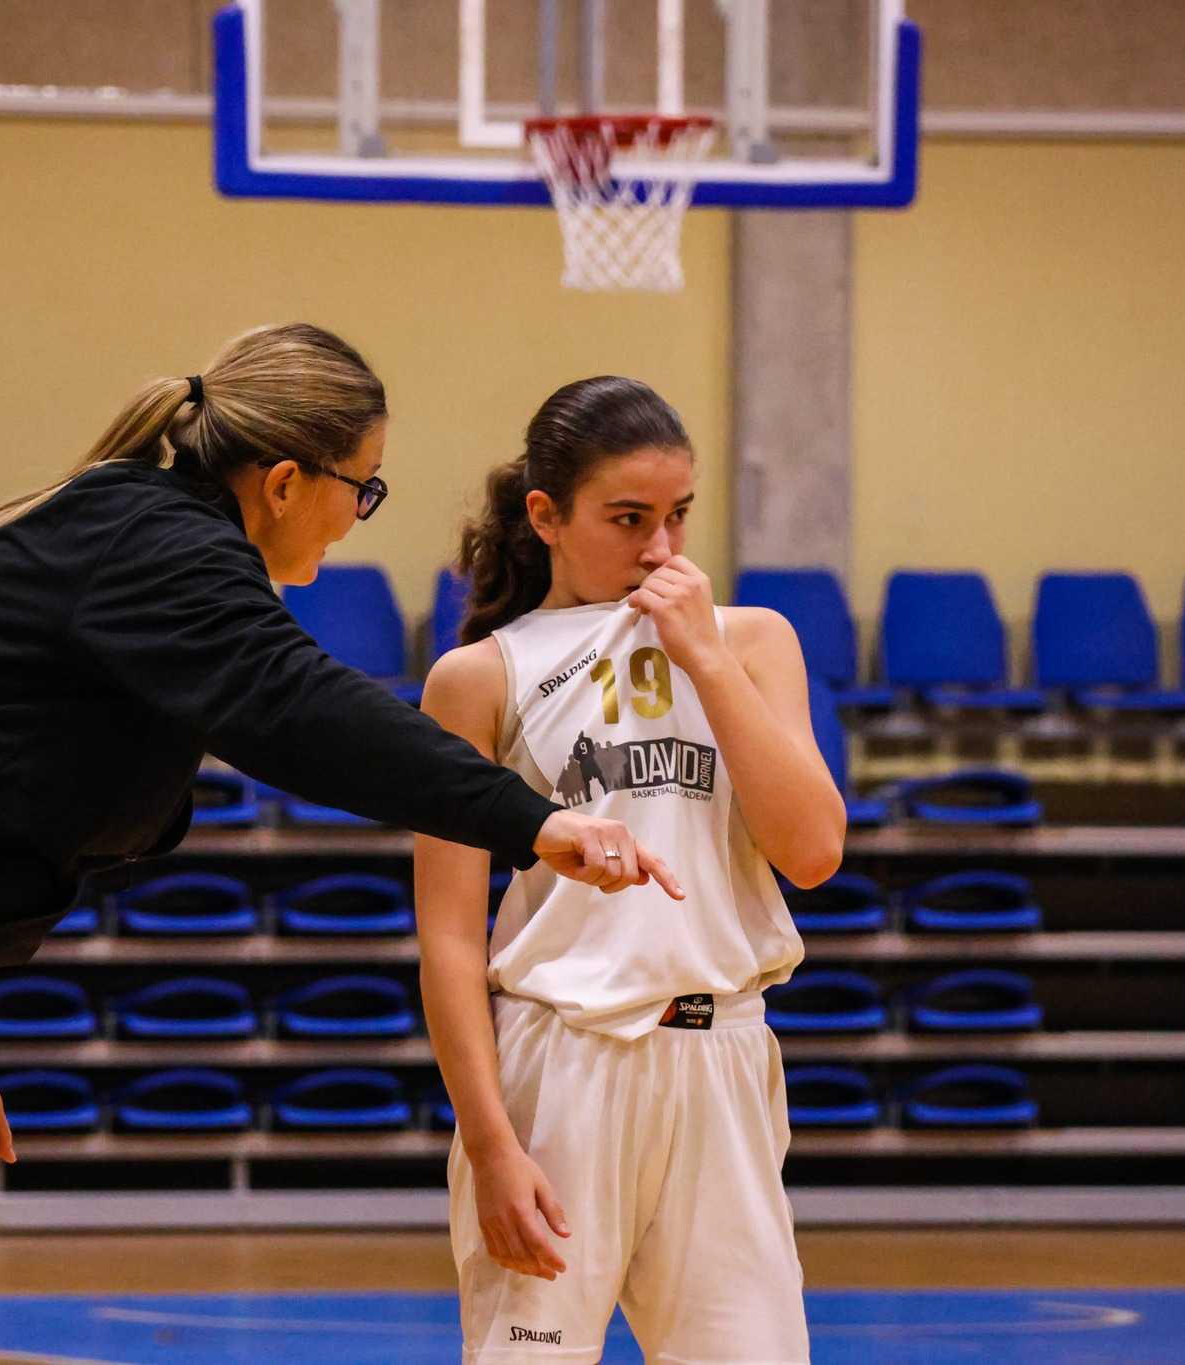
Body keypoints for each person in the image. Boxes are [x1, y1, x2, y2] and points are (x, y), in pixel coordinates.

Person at [0, 323, 678, 1365]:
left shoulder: (106, 528)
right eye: (361, 488)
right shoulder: (164, 547)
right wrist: (530, 819)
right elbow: (297, 706)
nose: (356, 519)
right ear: (284, 482)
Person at [416, 376, 846, 1364]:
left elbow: (813, 852)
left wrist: (706, 660)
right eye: (628, 519)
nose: (661, 548)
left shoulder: (752, 641)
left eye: (677, 516)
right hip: (559, 1068)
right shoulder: (480, 676)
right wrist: (489, 1144)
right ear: (546, 517)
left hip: (723, 1057)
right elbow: (447, 937)